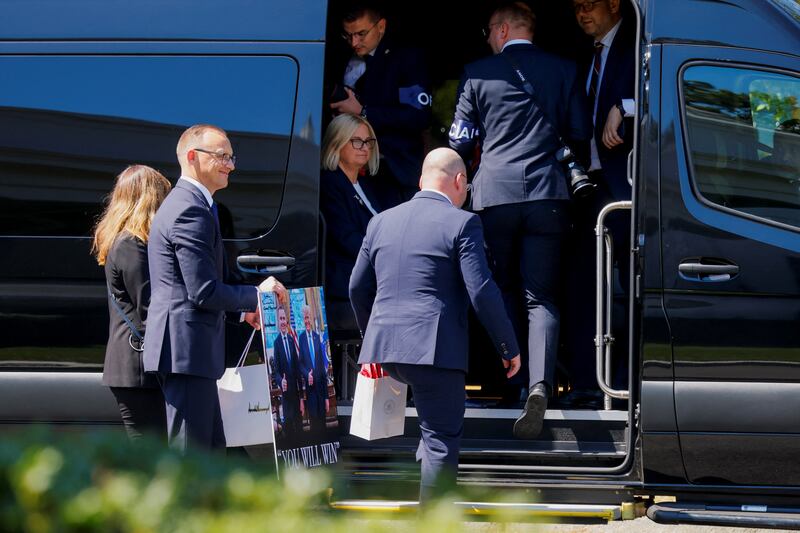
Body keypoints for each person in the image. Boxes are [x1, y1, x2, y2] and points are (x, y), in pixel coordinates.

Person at [448, 2, 591, 437]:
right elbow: (579, 133)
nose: (489, 38)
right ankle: (540, 385)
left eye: (490, 31)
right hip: (549, 195)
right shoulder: (565, 69)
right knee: (541, 297)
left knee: (502, 290)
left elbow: (460, 139)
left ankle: (511, 384)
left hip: (495, 197)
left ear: (503, 29)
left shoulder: (477, 72)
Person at [349, 147, 521, 504]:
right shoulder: (462, 222)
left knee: (431, 434)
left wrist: (374, 339)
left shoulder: (381, 221)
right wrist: (507, 346)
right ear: (459, 181)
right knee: (441, 439)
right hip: (434, 351)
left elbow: (357, 288)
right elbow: (481, 291)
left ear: (421, 180)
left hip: (387, 352)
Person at [143, 124, 286, 452]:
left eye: (231, 157)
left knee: (210, 451)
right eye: (222, 156)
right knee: (191, 455)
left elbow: (199, 285)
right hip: (185, 352)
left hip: (190, 351)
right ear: (192, 157)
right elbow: (203, 290)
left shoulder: (196, 204)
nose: (230, 165)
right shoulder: (190, 208)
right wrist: (257, 296)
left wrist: (244, 311)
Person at [562, 0, 636, 406]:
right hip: (586, 187)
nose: (582, 13)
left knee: (632, 287)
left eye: (589, 3)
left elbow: (662, 89)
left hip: (625, 187)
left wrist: (624, 107)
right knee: (582, 285)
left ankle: (624, 384)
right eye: (576, 6)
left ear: (614, 3)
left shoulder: (639, 39)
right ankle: (586, 383)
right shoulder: (582, 54)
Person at [92, 165, 171, 441]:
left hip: (137, 367)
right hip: (137, 369)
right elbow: (150, 307)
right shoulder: (131, 244)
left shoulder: (129, 241)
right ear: (150, 199)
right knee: (148, 452)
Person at [330, 2, 432, 205]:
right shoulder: (339, 57)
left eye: (361, 34)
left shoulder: (405, 59)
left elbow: (417, 116)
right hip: (345, 170)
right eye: (348, 35)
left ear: (381, 26)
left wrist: (363, 112)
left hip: (393, 171)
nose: (354, 42)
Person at [320, 113, 383, 333]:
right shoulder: (329, 183)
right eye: (356, 141)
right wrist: (387, 254)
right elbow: (345, 237)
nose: (364, 147)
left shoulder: (367, 185)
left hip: (372, 286)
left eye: (368, 141)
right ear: (337, 143)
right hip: (346, 291)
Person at [272, 306, 304, 443]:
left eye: (284, 318)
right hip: (286, 397)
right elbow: (276, 372)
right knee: (289, 431)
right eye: (280, 319)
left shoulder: (292, 340)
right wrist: (281, 381)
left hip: (296, 395)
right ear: (278, 322)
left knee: (300, 430)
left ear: (287, 321)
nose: (283, 321)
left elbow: (297, 370)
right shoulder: (276, 343)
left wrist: (301, 398)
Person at [299, 305, 329, 439]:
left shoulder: (318, 338)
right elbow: (300, 364)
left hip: (321, 392)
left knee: (323, 428)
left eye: (308, 317)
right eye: (305, 318)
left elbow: (322, 369)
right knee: (314, 428)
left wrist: (327, 398)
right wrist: (307, 374)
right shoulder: (301, 339)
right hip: (310, 392)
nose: (307, 321)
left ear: (312, 318)